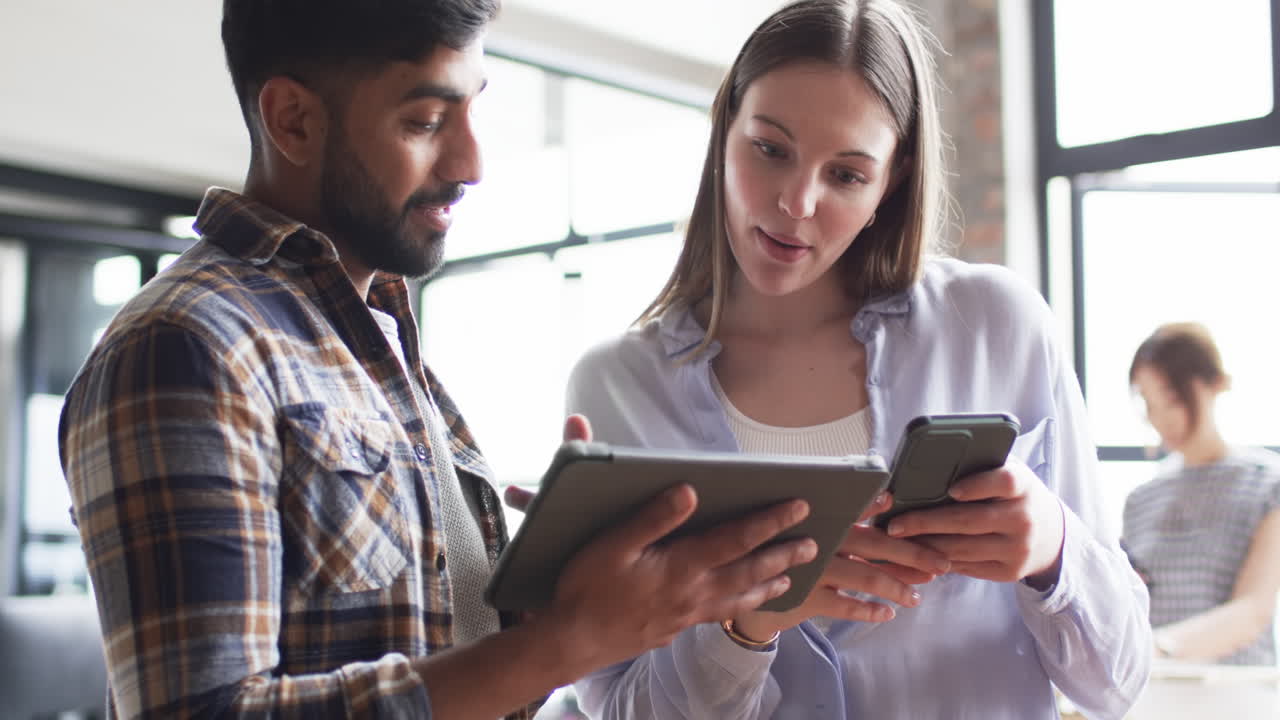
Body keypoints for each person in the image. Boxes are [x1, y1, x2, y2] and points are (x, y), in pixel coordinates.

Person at [56, 2, 822, 718]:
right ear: (292, 120)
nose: (473, 160)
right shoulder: (187, 346)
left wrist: (574, 592)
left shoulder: (379, 342)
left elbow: (451, 650)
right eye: (424, 120)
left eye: (473, 108)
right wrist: (566, 641)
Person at [563, 0, 1152, 718]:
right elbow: (618, 707)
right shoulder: (617, 386)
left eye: (845, 175)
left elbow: (1117, 685)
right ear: (725, 133)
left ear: (891, 183)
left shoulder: (998, 326)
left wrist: (1055, 549)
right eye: (770, 149)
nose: (795, 203)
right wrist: (749, 620)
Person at [1123, 322, 1280, 665]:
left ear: (1216, 384)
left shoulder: (1268, 485)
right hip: (1157, 694)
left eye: (1173, 398)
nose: (1161, 418)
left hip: (1238, 695)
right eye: (1148, 402)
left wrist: (1157, 648)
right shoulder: (1142, 501)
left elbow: (1253, 610)